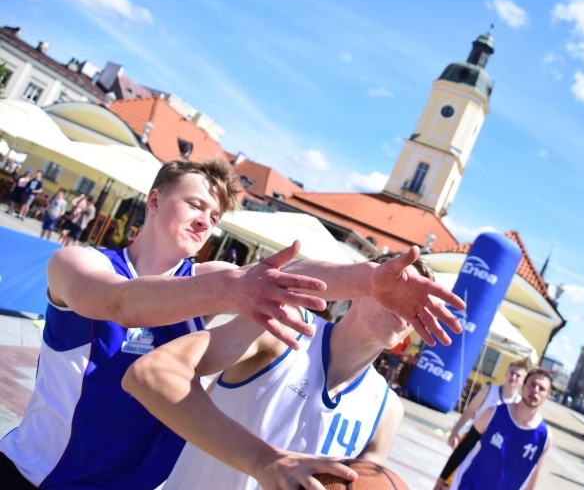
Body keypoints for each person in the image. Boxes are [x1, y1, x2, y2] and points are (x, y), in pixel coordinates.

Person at [0, 158, 465, 489]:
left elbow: (288, 279)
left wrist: (367, 280)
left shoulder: (207, 280)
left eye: (215, 215)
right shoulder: (78, 262)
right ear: (155, 200)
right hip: (36, 472)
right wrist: (232, 290)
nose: (206, 220)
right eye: (196, 205)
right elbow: (117, 302)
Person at [124, 252, 434, 489]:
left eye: (418, 300)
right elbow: (150, 373)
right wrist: (263, 461)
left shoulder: (386, 410)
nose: (406, 302)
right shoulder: (285, 329)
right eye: (398, 284)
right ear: (359, 289)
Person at [434, 368, 552, 490]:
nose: (535, 390)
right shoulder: (494, 412)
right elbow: (464, 447)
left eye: (541, 388)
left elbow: (532, 476)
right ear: (523, 386)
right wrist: (441, 479)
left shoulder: (545, 436)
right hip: (469, 485)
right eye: (532, 384)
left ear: (547, 396)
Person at [446, 359, 529, 448]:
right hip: (473, 438)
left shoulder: (519, 403)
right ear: (506, 373)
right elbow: (469, 411)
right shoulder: (489, 390)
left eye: (518, 375)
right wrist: (455, 431)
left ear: (523, 381)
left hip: (494, 447)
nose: (513, 377)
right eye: (512, 373)